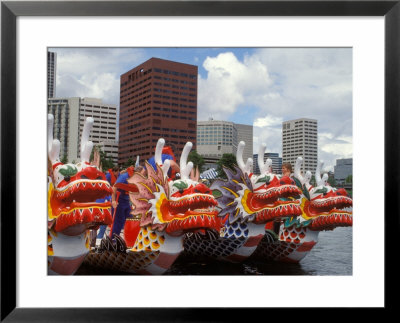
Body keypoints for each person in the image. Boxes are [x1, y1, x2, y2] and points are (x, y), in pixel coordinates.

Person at [96, 165, 120, 245]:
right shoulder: (107, 178)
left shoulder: (101, 188)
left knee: (102, 226)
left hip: (101, 206)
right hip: (101, 208)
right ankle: (99, 240)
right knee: (103, 224)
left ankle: (99, 240)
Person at [109, 167, 135, 239]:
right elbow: (114, 188)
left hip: (126, 201)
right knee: (118, 222)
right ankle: (113, 239)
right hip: (118, 200)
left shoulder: (137, 178)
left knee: (131, 219)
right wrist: (113, 201)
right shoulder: (124, 177)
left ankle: (130, 239)